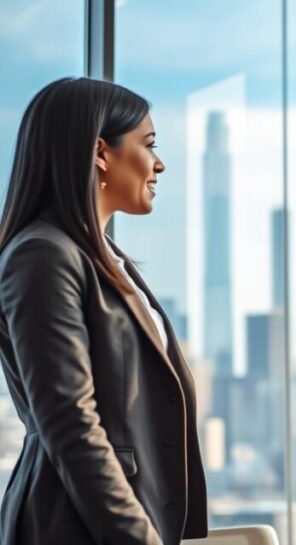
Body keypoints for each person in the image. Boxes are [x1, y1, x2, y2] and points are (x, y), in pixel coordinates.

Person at [0, 78, 208, 544]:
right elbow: (70, 422)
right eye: (148, 144)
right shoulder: (43, 254)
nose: (159, 163)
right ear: (100, 152)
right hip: (77, 525)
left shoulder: (105, 258)